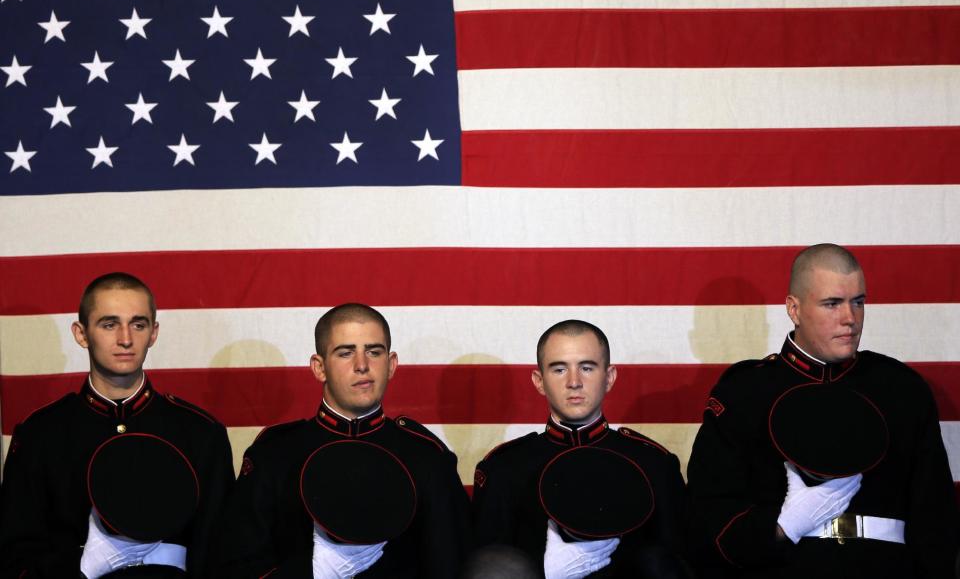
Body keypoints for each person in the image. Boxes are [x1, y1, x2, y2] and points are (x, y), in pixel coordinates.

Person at [686, 243, 960, 578]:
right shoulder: (744, 393)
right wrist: (781, 528)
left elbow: (935, 518)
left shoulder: (901, 390)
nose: (850, 319)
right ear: (794, 309)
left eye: (858, 302)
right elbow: (709, 513)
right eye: (832, 304)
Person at [0, 272, 235, 578]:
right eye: (109, 324)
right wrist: (82, 565)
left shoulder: (200, 433)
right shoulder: (40, 435)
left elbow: (223, 552)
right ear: (81, 334)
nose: (125, 339)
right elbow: (13, 555)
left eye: (138, 324)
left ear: (153, 333)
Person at [215, 303, 471, 578]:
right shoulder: (276, 454)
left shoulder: (426, 456)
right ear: (319, 368)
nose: (362, 366)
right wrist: (314, 572)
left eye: (374, 352)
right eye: (346, 353)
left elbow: (452, 563)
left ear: (392, 364)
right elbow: (236, 565)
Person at [472, 320, 688, 578]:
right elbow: (486, 568)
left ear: (609, 378)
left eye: (587, 367)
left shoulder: (653, 464)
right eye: (559, 369)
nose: (574, 382)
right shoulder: (504, 469)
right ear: (539, 381)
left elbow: (683, 563)